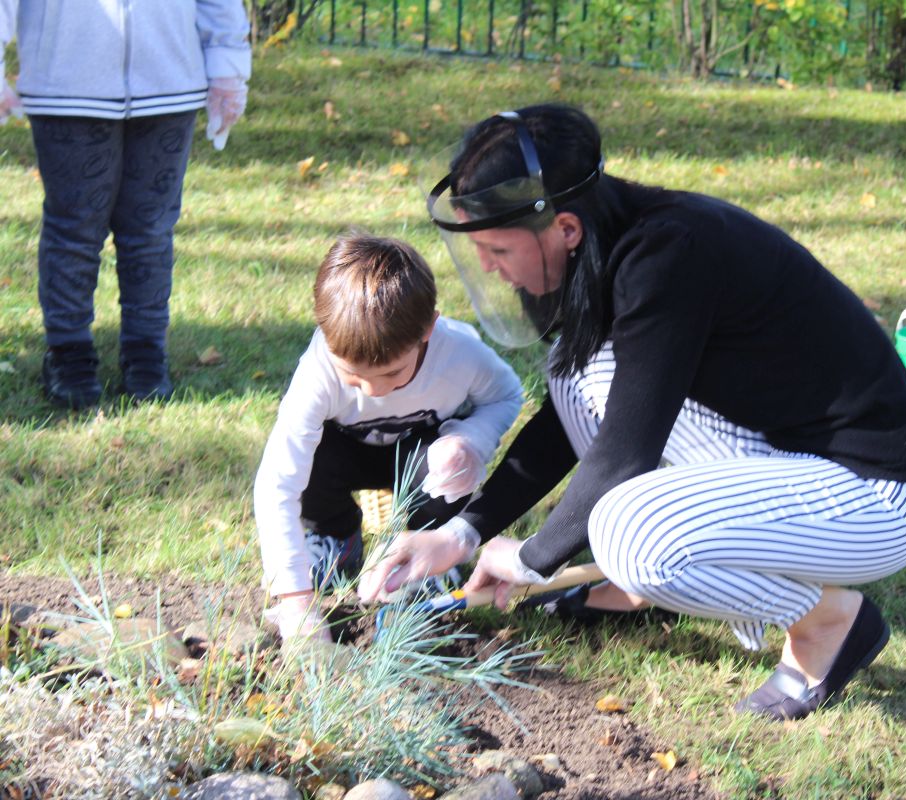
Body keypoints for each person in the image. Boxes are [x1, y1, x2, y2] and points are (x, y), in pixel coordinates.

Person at [357, 104, 906, 722]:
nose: (487, 266)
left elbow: (624, 455)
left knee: (630, 536)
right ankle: (641, 587)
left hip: (876, 495)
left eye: (498, 247)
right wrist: (460, 534)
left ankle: (828, 621)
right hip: (786, 451)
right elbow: (572, 423)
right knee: (575, 374)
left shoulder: (669, 259)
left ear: (565, 229)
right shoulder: (616, 241)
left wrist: (532, 558)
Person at [256, 234, 523, 641]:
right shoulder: (318, 371)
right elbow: (279, 479)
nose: (373, 391)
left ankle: (429, 554)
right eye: (353, 376)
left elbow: (507, 395)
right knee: (310, 455)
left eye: (393, 374)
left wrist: (470, 440)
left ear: (428, 330)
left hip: (423, 456)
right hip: (346, 452)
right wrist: (294, 599)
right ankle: (336, 537)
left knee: (447, 463)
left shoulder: (461, 354)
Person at [0, 0, 251, 408]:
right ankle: (68, 354)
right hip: (66, 83)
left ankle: (146, 354)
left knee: (150, 230)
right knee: (74, 230)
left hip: (169, 80)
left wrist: (228, 67)